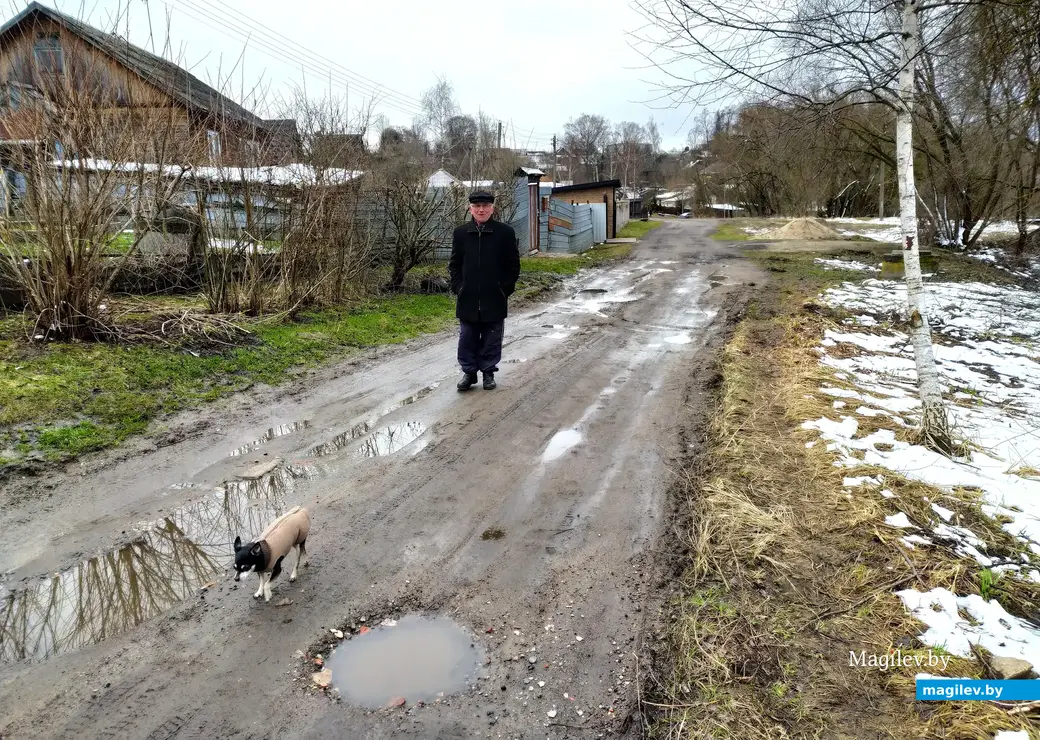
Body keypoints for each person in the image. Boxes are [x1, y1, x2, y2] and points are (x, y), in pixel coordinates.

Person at [448, 189, 521, 392]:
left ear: (492, 208)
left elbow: (513, 265)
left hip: (494, 297)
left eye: (485, 206)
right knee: (467, 337)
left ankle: (488, 372)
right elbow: (454, 264)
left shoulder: (505, 232)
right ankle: (469, 373)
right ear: (470, 209)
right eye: (477, 206)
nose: (481, 210)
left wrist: (504, 289)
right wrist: (459, 287)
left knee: (492, 338)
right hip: (468, 297)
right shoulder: (461, 233)